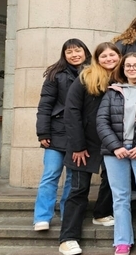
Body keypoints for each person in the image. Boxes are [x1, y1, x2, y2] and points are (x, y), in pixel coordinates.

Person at [58, 42, 121, 255]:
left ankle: (101, 213)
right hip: (84, 145)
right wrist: (77, 145)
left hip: (112, 142)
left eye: (113, 55)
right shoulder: (85, 77)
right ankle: (68, 237)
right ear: (96, 58)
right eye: (104, 56)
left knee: (111, 183)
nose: (109, 59)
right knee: (78, 189)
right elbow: (72, 112)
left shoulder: (124, 77)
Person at [95, 52, 136, 255]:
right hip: (115, 152)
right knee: (120, 198)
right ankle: (122, 241)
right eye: (128, 65)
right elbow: (101, 122)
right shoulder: (112, 92)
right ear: (122, 68)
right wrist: (115, 147)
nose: (132, 68)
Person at [33, 39, 92, 231]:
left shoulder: (94, 72)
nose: (74, 55)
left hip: (81, 135)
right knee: (51, 174)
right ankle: (42, 217)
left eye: (78, 51)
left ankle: (69, 214)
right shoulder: (55, 74)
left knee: (72, 178)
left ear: (85, 52)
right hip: (56, 133)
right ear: (64, 54)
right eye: (69, 52)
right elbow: (45, 105)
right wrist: (42, 131)